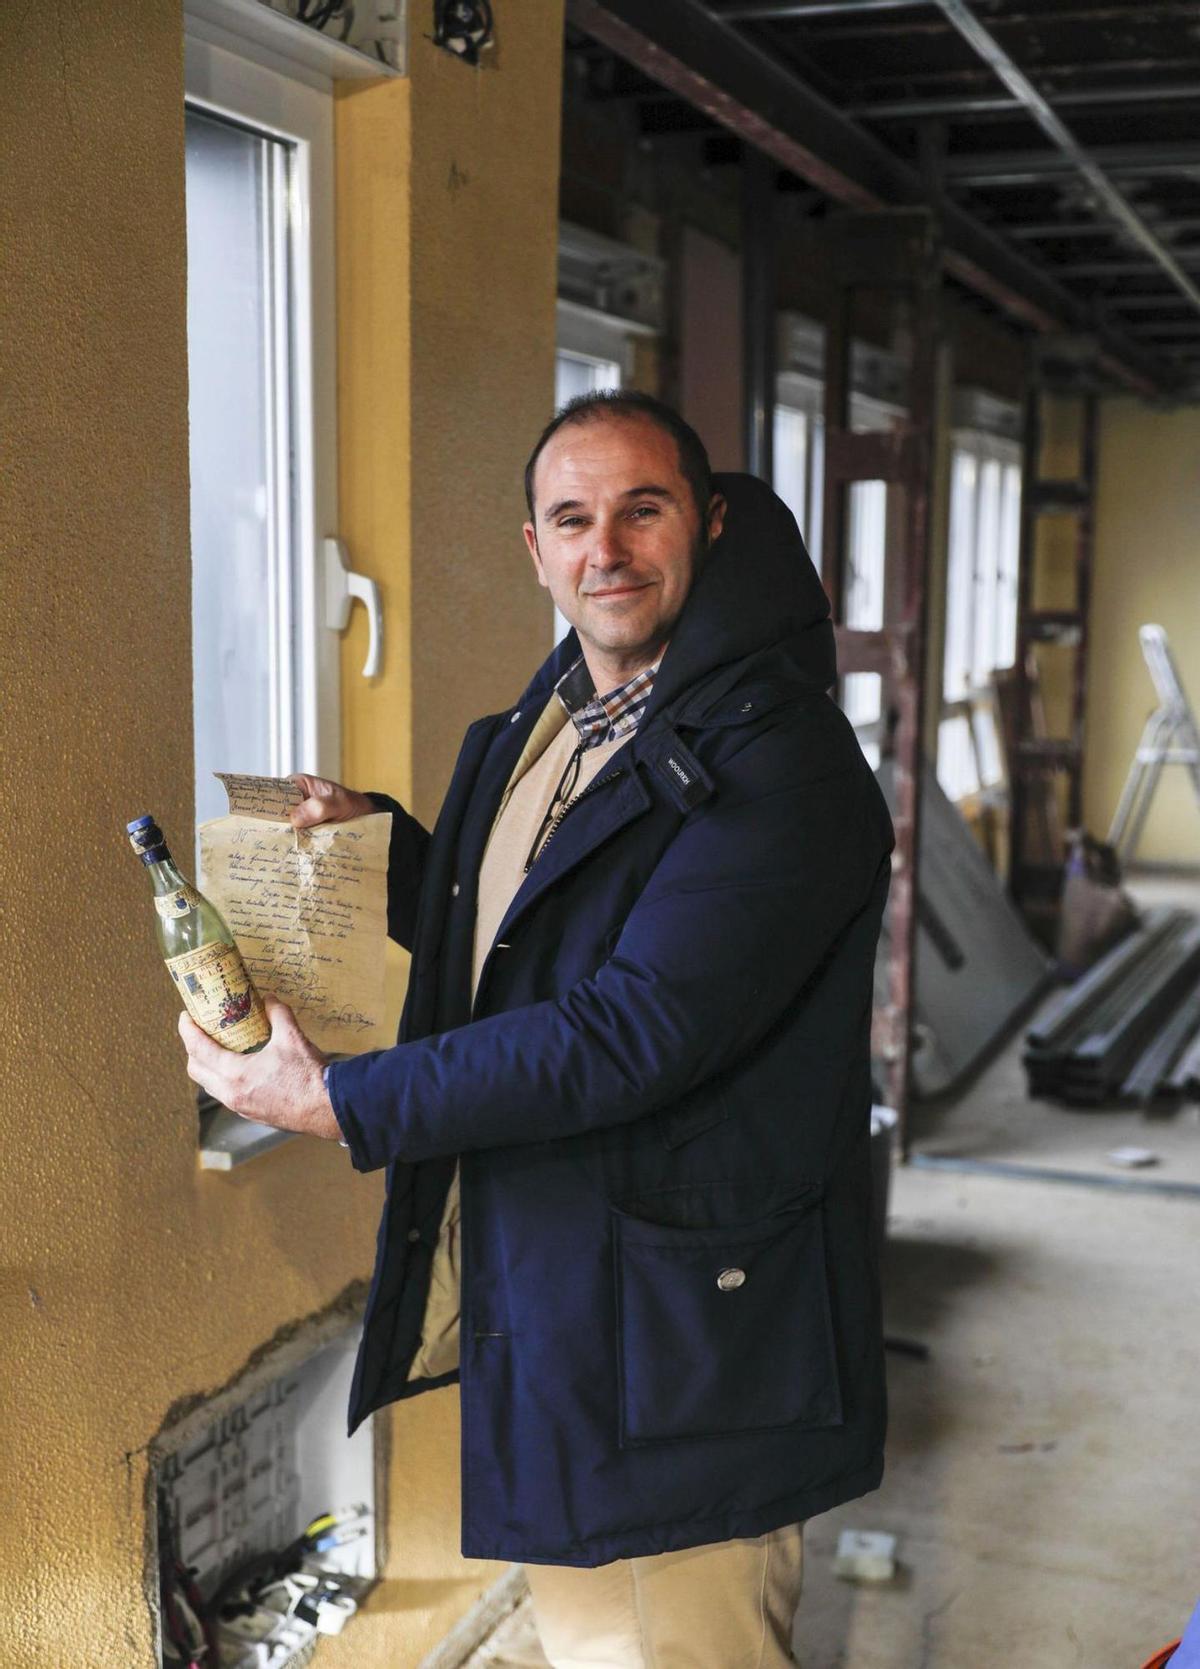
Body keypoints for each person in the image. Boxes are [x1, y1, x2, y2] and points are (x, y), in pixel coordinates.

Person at [179, 390, 895, 1668]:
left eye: (643, 509)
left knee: (662, 1634)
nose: (604, 548)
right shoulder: (558, 717)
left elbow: (630, 1027)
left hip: (683, 1347)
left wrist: (344, 1100)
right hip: (580, 1307)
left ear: (710, 525)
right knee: (593, 1631)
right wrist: (393, 854)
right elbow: (551, 909)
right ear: (534, 546)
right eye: (572, 518)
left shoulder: (777, 760)